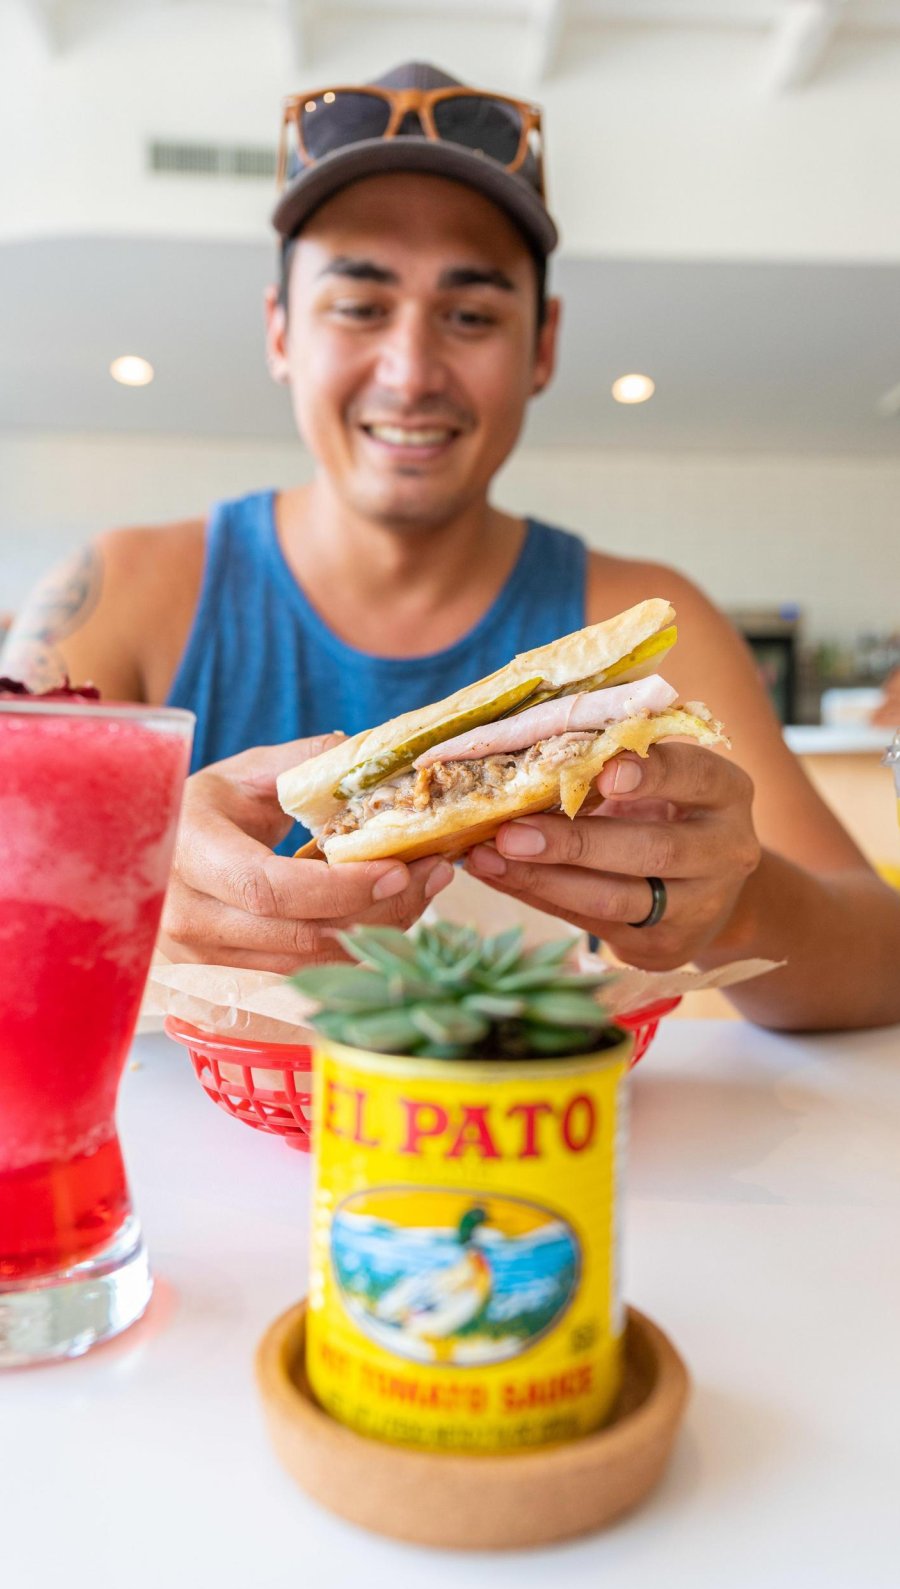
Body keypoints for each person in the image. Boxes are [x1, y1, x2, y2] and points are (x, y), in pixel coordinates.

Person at [3, 62, 899, 1031]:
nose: (411, 371)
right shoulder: (125, 590)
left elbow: (880, 957)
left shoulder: (646, 619)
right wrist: (131, 893)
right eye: (358, 306)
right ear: (280, 332)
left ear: (542, 346)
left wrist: (740, 900)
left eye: (471, 314)